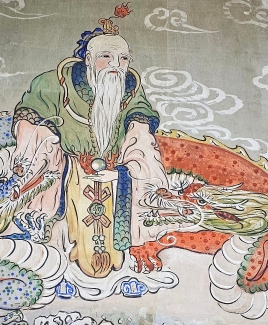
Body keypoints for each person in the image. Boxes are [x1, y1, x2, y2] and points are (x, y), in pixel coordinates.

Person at [9, 28, 169, 278]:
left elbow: (141, 144)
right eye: (106, 56)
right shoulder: (53, 85)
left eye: (123, 59)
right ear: (88, 58)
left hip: (115, 178)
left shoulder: (130, 91)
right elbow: (33, 133)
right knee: (59, 241)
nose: (116, 65)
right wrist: (53, 157)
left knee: (112, 256)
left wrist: (123, 174)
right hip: (67, 174)